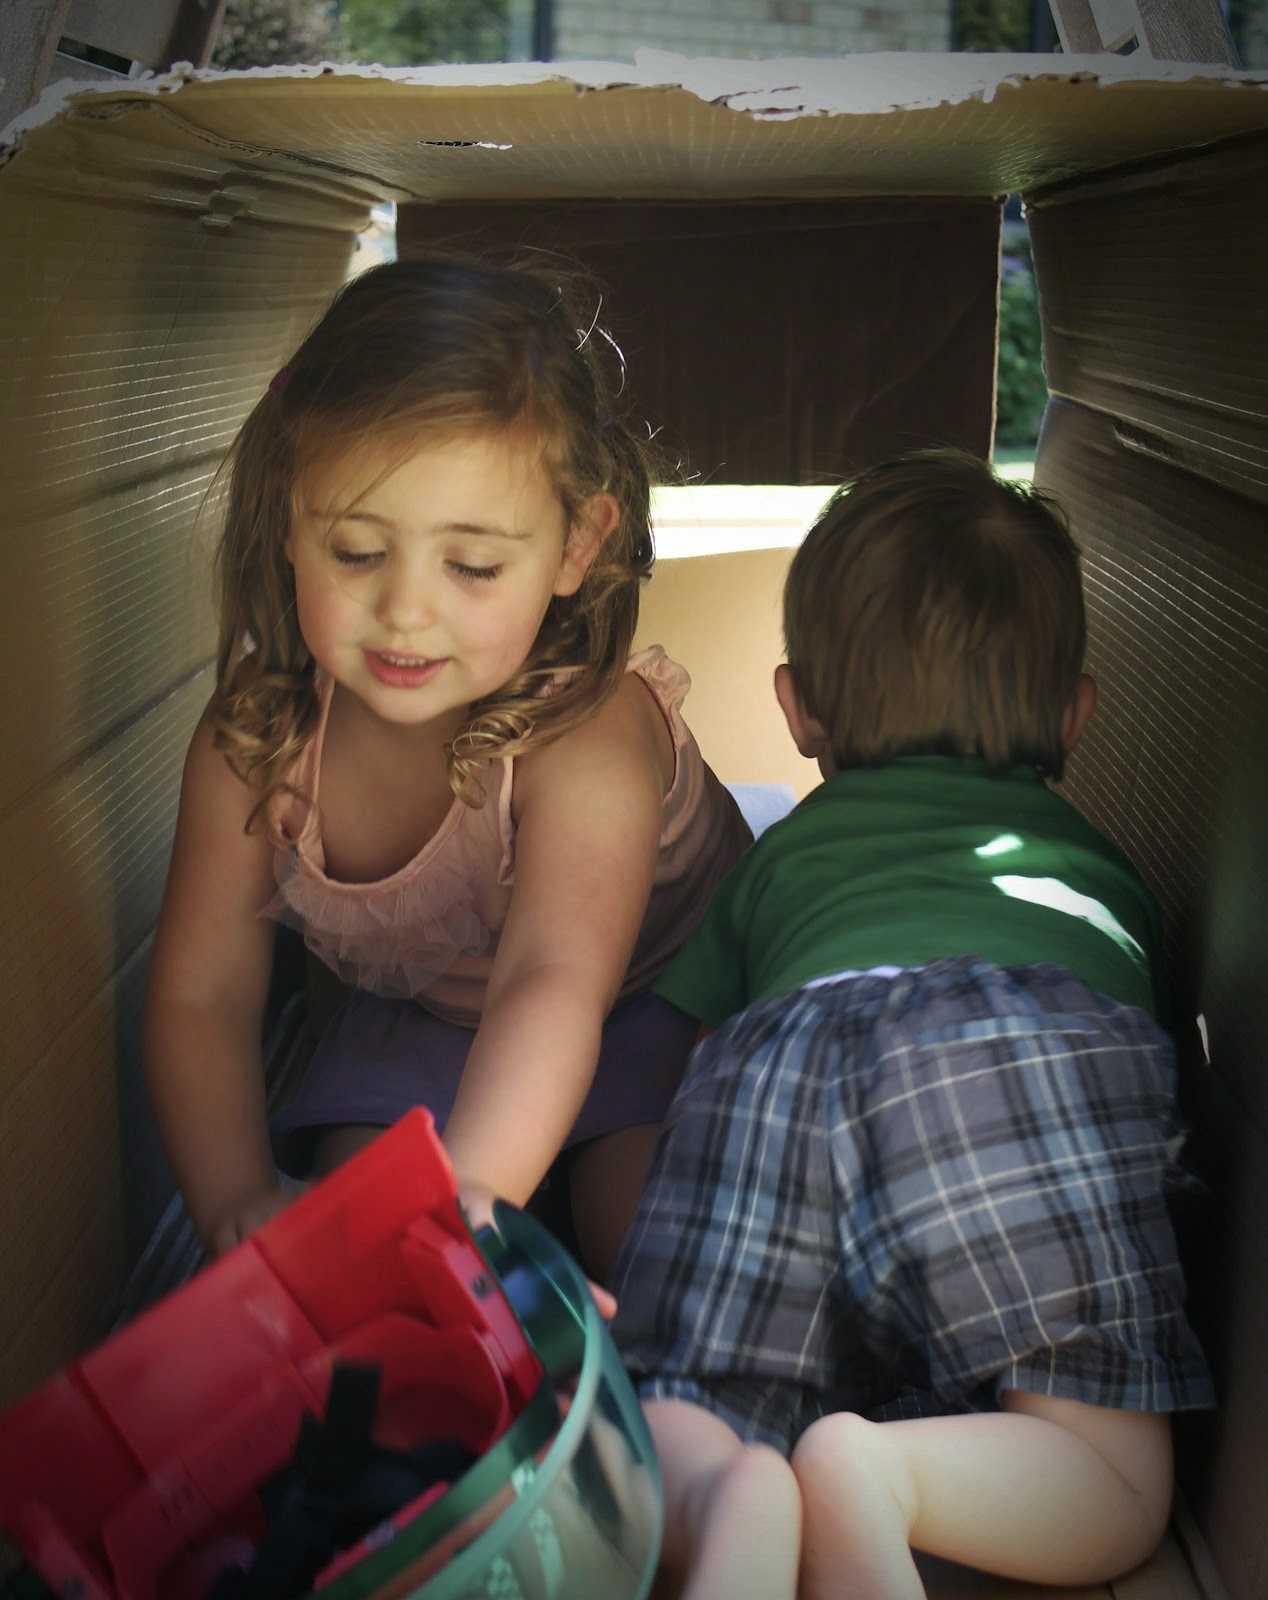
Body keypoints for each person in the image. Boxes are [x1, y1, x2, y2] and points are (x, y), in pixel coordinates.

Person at [609, 451, 1215, 1599]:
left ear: (795, 707)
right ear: (1074, 714)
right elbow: (1121, 1117)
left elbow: (684, 1071)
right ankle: (881, 1472)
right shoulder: (1102, 878)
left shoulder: (776, 861)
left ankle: (727, 1483)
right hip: (1015, 1042)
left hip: (779, 1046)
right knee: (1106, 1468)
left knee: (690, 1399)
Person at [142, 252, 751, 1279]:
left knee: (645, 1247)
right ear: (288, 519)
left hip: (657, 1002)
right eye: (356, 551)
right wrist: (237, 1197)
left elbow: (552, 983)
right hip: (431, 1014)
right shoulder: (260, 737)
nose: (406, 611)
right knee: (357, 1244)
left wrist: (466, 1199)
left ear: (576, 546)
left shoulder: (584, 737)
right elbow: (202, 992)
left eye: (470, 565)